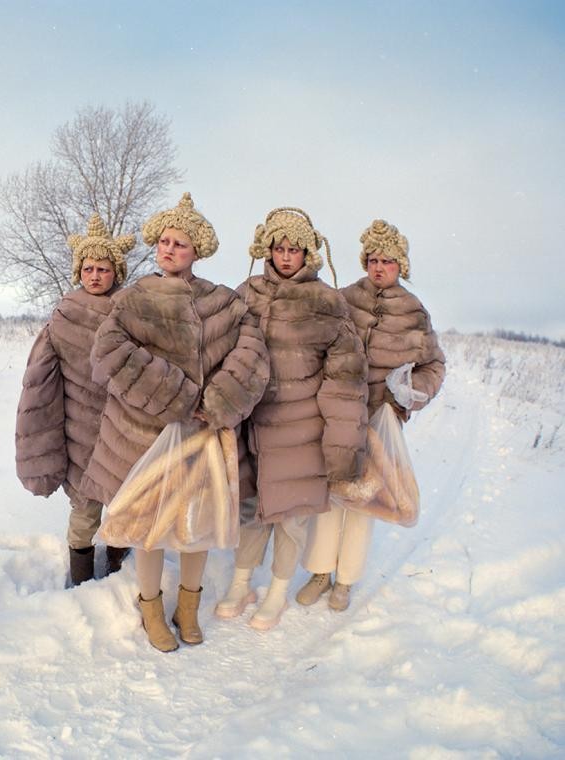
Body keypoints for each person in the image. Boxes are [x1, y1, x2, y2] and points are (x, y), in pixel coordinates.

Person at [81, 193, 270, 652]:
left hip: (204, 436)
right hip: (145, 434)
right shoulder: (134, 298)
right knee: (150, 525)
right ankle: (150, 607)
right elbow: (108, 352)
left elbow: (252, 354)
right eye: (164, 241)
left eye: (179, 244)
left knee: (195, 523)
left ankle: (188, 606)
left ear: (196, 251)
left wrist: (219, 399)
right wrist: (178, 396)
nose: (168, 250)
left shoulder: (223, 302)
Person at [215, 207, 367, 631]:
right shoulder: (247, 293)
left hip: (302, 429)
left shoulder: (326, 303)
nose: (285, 257)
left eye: (294, 249)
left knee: (291, 515)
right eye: (279, 248)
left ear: (307, 253)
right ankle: (241, 583)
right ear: (268, 249)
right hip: (251, 426)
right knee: (250, 509)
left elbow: (345, 379)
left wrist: (341, 442)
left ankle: (278, 591)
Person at [296, 219, 445, 611]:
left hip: (381, 420)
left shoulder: (414, 314)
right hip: (339, 415)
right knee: (330, 496)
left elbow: (434, 366)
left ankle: (345, 580)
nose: (379, 267)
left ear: (401, 266)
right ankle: (320, 572)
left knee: (365, 502)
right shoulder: (345, 299)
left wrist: (410, 393)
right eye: (373, 260)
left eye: (388, 261)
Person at [15, 213, 135, 586]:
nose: (95, 275)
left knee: (123, 504)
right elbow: (41, 379)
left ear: (116, 272)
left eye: (103, 269)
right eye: (88, 268)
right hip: (78, 429)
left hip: (122, 428)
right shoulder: (64, 315)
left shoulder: (130, 313)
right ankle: (80, 578)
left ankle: (117, 571)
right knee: (84, 508)